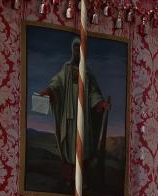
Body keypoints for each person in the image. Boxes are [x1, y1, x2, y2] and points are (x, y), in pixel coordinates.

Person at [37, 38, 110, 187]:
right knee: (69, 148)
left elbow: (93, 93)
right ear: (72, 50)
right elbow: (56, 84)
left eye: (80, 48)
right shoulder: (67, 69)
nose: (78, 51)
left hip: (84, 118)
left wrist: (101, 103)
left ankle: (82, 181)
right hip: (69, 118)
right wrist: (49, 92)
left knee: (84, 148)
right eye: (75, 48)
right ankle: (69, 179)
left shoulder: (87, 73)